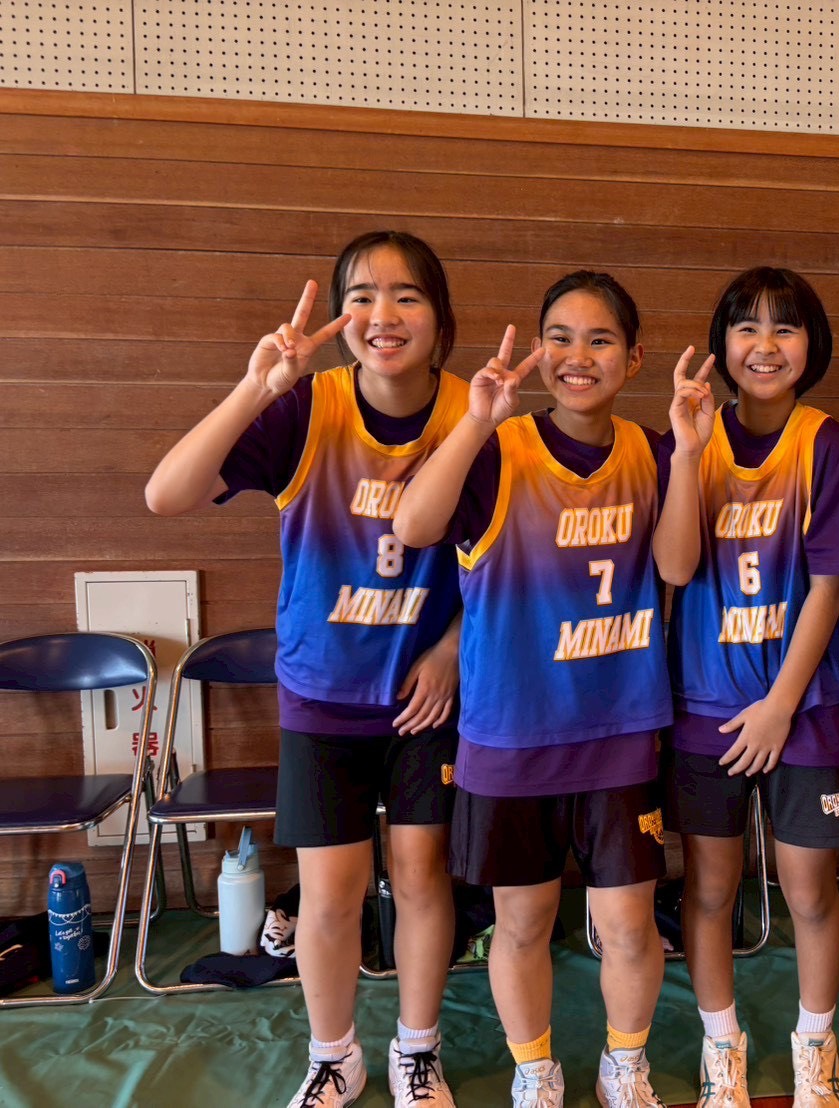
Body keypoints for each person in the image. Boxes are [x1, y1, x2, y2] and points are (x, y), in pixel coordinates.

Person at [145, 230, 468, 1108]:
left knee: (421, 878)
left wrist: (450, 650)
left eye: (406, 295)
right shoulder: (306, 409)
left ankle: (417, 1051)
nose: (382, 314)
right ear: (339, 316)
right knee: (328, 894)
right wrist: (258, 385)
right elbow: (166, 495)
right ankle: (335, 1057)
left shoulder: (473, 415)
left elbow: (507, 564)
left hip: (426, 699)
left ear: (440, 319)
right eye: (361, 296)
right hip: (324, 693)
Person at [393, 271, 713, 1108]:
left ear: (633, 358)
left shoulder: (653, 449)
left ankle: (624, 1066)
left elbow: (679, 567)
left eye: (600, 339)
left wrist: (689, 452)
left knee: (628, 925)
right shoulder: (498, 447)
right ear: (537, 351)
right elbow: (413, 526)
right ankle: (535, 1072)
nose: (578, 356)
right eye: (560, 338)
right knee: (523, 922)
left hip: (618, 730)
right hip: (511, 734)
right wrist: (474, 421)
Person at [658, 267, 839, 1108]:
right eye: (746, 326)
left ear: (812, 344)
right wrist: (685, 453)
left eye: (784, 327)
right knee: (709, 889)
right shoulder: (690, 439)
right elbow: (675, 568)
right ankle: (723, 1051)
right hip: (703, 707)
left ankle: (816, 1051)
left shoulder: (829, 445)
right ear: (721, 344)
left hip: (801, 709)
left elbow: (829, 587)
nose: (765, 344)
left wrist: (780, 703)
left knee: (809, 890)